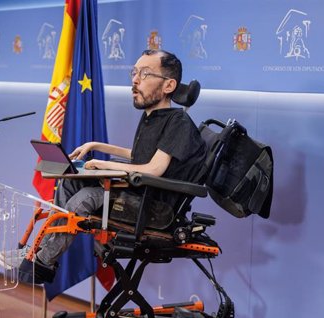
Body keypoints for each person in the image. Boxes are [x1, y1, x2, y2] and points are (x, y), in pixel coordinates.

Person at [17, 49, 206, 284]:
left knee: (85, 198)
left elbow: (155, 168)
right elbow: (139, 157)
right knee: (68, 183)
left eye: (145, 74)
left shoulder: (178, 121)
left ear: (168, 86)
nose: (135, 80)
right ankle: (42, 255)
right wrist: (96, 146)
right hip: (139, 195)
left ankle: (41, 262)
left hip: (156, 209)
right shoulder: (152, 116)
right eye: (134, 73)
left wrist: (103, 163)